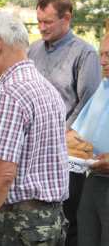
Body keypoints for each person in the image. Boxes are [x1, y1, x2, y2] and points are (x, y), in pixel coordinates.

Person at [0, 11, 69, 246]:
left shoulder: (10, 92)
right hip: (47, 221)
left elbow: (3, 172)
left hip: (16, 225)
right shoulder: (45, 87)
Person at [28, 0, 101, 245]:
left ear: (66, 18)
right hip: (34, 148)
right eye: (38, 21)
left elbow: (88, 104)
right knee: (40, 216)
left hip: (66, 151)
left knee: (68, 219)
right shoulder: (33, 49)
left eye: (47, 22)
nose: (41, 27)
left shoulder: (85, 54)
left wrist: (61, 135)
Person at [72, 33, 109, 246]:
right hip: (93, 179)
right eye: (101, 54)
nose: (102, 61)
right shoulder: (103, 88)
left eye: (108, 55)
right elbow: (78, 135)